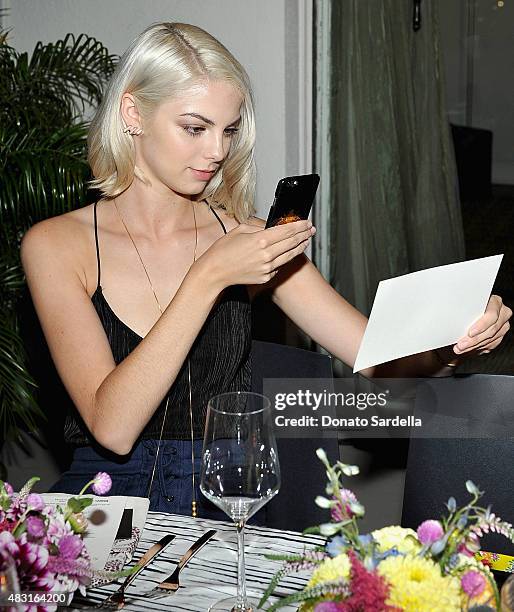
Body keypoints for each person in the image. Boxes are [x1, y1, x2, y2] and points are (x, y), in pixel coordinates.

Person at [21, 22, 511, 517]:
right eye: (195, 127)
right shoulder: (57, 246)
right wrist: (209, 276)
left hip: (228, 491)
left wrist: (450, 346)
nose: (216, 151)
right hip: (108, 496)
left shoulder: (251, 240)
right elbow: (113, 427)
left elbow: (380, 367)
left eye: (229, 129)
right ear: (133, 113)